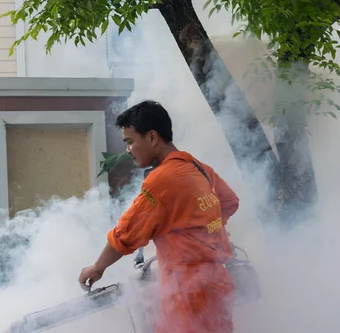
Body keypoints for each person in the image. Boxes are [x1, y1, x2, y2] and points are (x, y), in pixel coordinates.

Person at [78, 100, 240, 333]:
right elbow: (229, 202)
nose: (128, 150)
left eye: (130, 141)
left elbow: (126, 233)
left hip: (188, 292)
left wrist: (97, 267)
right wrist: (205, 229)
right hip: (216, 283)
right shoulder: (196, 166)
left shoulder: (162, 180)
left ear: (152, 137)